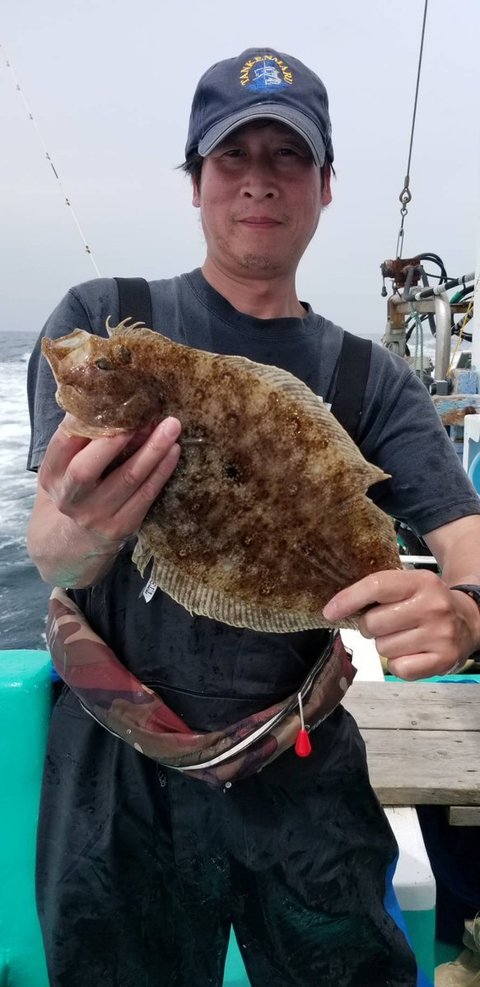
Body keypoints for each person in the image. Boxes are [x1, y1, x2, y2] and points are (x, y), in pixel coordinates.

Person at [26, 47, 480, 987]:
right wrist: (86, 530)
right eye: (233, 157)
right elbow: (54, 557)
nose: (258, 181)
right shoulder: (103, 310)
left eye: (288, 157)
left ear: (323, 187)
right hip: (118, 771)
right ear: (197, 182)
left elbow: (469, 550)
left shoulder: (370, 375)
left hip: (299, 758)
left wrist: (466, 611)